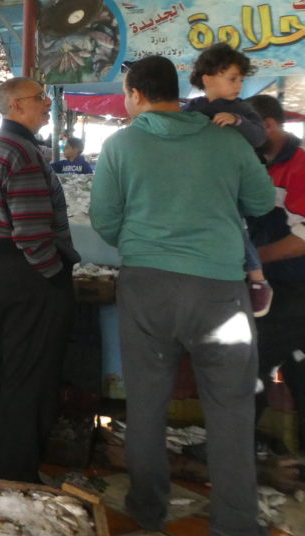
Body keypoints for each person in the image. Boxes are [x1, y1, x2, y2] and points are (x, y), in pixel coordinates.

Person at [90, 56, 273, 536]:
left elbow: (105, 221)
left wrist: (144, 238)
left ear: (135, 95)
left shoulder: (120, 145)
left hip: (147, 286)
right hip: (220, 291)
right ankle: (235, 523)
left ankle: (149, 509)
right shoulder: (227, 140)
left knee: (147, 404)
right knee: (231, 408)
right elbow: (259, 201)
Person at [0, 77, 78, 483]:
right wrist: (51, 275)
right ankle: (18, 472)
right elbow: (31, 230)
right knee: (27, 374)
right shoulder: (22, 151)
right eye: (39, 98)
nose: (47, 104)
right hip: (22, 273)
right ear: (15, 106)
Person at [185, 43, 269, 308]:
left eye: (241, 80)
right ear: (208, 79)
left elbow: (259, 138)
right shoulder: (193, 109)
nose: (239, 86)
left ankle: (257, 278)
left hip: (238, 183)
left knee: (235, 226)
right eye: (233, 79)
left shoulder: (242, 110)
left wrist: (237, 122)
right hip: (208, 182)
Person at [245, 94, 305, 452]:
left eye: (249, 128)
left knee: (253, 368)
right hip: (265, 288)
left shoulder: (299, 166)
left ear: (268, 125)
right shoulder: (252, 164)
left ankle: (238, 456)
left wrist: (253, 258)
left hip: (295, 289)